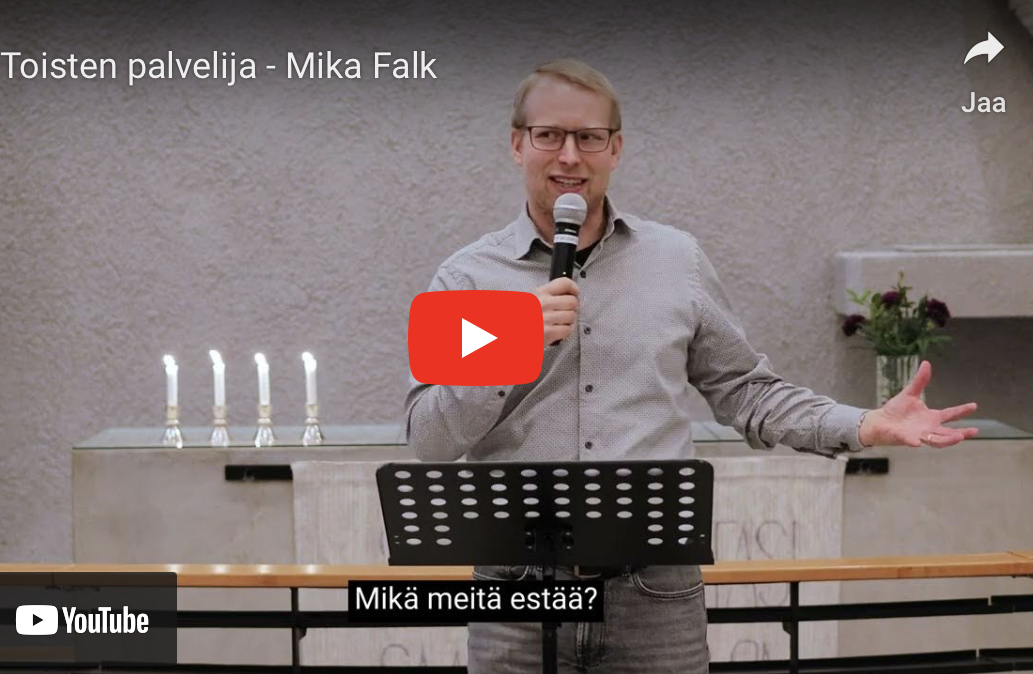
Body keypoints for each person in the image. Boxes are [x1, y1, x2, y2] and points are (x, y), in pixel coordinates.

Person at [403, 58, 979, 674]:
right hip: (515, 596)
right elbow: (429, 439)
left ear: (615, 149)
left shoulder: (676, 260)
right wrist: (508, 341)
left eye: (589, 137)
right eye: (549, 135)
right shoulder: (466, 278)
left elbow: (747, 392)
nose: (569, 155)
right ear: (517, 144)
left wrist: (863, 424)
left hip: (654, 591)